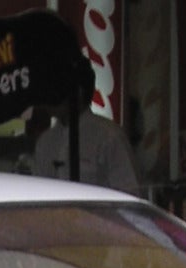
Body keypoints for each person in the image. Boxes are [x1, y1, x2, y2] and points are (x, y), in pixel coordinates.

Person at [32, 60, 141, 195]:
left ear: (78, 92)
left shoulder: (108, 137)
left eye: (56, 90)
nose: (48, 98)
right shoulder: (46, 141)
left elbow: (129, 193)